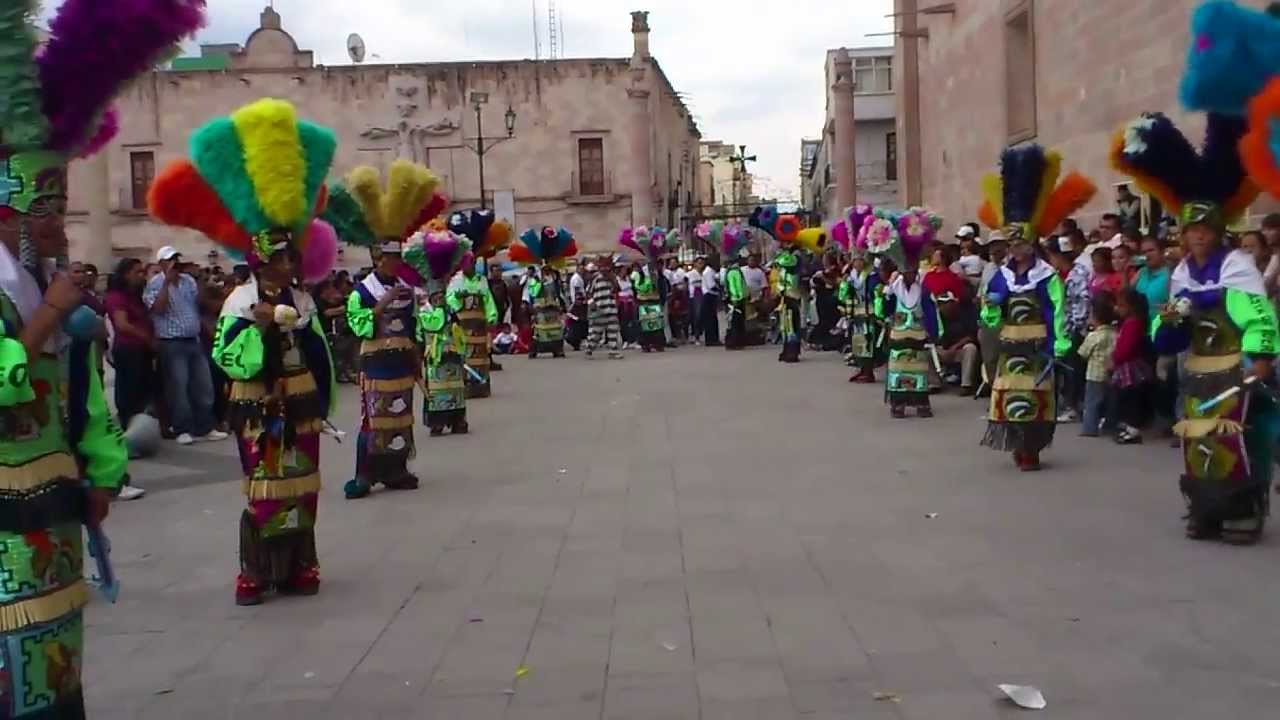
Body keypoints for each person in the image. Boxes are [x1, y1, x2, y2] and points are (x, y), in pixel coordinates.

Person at [0, 0, 195, 707]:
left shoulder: (45, 288)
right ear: (11, 212)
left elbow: (82, 391)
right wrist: (47, 317)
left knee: (56, 656)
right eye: (45, 208)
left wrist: (103, 468)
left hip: (53, 502)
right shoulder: (27, 295)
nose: (58, 222)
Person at [147, 96, 333, 604]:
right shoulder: (240, 301)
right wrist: (262, 328)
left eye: (289, 262)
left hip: (300, 404)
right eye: (276, 264)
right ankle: (254, 571)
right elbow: (228, 357)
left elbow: (318, 354)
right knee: (264, 488)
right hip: (260, 404)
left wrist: (323, 396)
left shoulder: (302, 299)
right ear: (258, 265)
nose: (284, 270)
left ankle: (300, 564)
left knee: (303, 484)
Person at [1116, 110, 1278, 543]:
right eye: (1192, 229)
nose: (1199, 235)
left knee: (1233, 438)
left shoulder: (1237, 264)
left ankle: (1242, 510)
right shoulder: (1184, 271)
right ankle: (1205, 508)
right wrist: (1167, 327)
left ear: (1218, 229)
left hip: (1234, 366)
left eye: (1206, 228)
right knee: (1196, 440)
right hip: (1198, 370)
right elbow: (1173, 324)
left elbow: (1258, 314)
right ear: (1184, 234)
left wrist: (1261, 357)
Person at [332, 160, 444, 498]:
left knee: (400, 417)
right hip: (375, 364)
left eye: (398, 260)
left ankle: (396, 469)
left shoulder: (408, 288)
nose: (395, 265)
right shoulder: (361, 291)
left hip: (402, 362)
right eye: (390, 260)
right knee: (374, 419)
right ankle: (365, 474)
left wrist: (426, 318)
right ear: (378, 260)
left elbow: (419, 324)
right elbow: (360, 325)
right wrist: (384, 302)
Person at [978, 143, 1093, 471]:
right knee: (1010, 395)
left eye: (1022, 243)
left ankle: (1032, 448)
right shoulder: (1000, 276)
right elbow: (990, 313)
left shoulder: (1047, 276)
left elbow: (1056, 309)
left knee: (1036, 398)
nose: (1017, 249)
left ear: (1033, 244)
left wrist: (1060, 342)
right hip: (1010, 347)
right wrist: (991, 307)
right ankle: (1017, 443)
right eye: (1012, 244)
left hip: (1038, 347)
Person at [144, 246, 228, 446]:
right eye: (171, 260)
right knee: (178, 387)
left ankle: (204, 426)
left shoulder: (188, 281)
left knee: (203, 385)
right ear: (162, 263)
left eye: (176, 259)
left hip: (193, 340)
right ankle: (182, 428)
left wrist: (201, 282)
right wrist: (167, 282)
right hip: (172, 342)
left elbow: (198, 304)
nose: (175, 263)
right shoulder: (155, 284)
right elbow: (158, 308)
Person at [105, 259, 157, 430]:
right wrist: (147, 337)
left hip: (141, 350)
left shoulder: (135, 297)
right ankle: (128, 426)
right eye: (137, 272)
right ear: (126, 274)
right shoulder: (116, 297)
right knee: (129, 391)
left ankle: (141, 426)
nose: (142, 276)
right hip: (129, 349)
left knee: (144, 390)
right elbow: (122, 324)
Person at [448, 255, 500, 397]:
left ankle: (482, 386)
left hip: (479, 325)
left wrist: (492, 316)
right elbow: (450, 298)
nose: (467, 267)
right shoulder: (456, 280)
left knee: (480, 355)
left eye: (470, 264)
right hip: (462, 324)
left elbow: (488, 299)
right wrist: (458, 301)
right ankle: (467, 386)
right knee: (465, 354)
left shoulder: (481, 280)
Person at [1110, 289, 1154, 444]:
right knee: (1127, 398)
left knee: (1131, 399)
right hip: (1127, 366)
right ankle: (1127, 427)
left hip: (1130, 367)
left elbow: (1126, 348)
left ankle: (1133, 429)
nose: (1117, 308)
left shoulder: (1133, 324)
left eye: (1121, 305)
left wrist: (1114, 358)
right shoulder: (1130, 323)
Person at [1078, 295, 1118, 437]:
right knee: (1109, 402)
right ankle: (1110, 426)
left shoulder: (1094, 336)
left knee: (1092, 403)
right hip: (1110, 373)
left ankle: (1089, 428)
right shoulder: (1115, 334)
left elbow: (1083, 352)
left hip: (1094, 374)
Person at [975, 231, 1008, 398]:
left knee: (1005, 358)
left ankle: (1005, 393)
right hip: (987, 320)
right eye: (993, 246)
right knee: (989, 359)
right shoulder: (988, 268)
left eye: (999, 245)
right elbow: (981, 294)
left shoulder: (1009, 267)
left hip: (1005, 318)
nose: (996, 249)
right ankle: (995, 393)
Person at [840, 253, 882, 383]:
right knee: (857, 341)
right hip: (856, 311)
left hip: (868, 311)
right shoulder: (852, 276)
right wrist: (845, 283)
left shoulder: (871, 275)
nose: (856, 264)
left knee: (867, 341)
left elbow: (875, 293)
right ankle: (861, 368)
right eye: (854, 261)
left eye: (858, 260)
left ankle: (868, 371)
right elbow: (844, 295)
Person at [936, 291, 981, 393]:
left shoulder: (965, 314)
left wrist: (955, 347)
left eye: (946, 303)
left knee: (970, 348)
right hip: (943, 350)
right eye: (940, 304)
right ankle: (935, 384)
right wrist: (941, 349)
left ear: (953, 303)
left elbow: (971, 336)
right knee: (926, 350)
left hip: (959, 349)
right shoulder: (937, 317)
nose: (943, 307)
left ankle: (966, 385)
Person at [525, 265, 568, 358]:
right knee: (539, 331)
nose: (547, 271)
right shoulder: (535, 280)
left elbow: (559, 293)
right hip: (540, 309)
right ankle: (534, 350)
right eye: (545, 269)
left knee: (556, 329)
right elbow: (533, 293)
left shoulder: (555, 280)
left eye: (549, 269)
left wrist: (561, 306)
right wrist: (540, 283)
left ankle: (558, 349)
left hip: (553, 308)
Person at [586, 257, 624, 358]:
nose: (605, 269)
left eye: (607, 267)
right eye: (603, 267)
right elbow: (588, 293)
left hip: (611, 308)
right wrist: (592, 304)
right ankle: (589, 348)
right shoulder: (595, 278)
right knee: (596, 333)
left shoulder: (613, 278)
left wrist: (613, 280)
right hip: (599, 309)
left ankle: (613, 351)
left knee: (613, 330)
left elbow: (617, 289)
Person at [774, 248, 804, 363]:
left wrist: (785, 252)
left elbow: (783, 261)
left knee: (791, 325)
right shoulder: (784, 268)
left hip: (792, 298)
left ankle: (792, 351)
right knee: (785, 326)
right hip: (784, 298)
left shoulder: (794, 261)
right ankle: (787, 349)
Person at [631, 262, 666, 352]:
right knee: (645, 325)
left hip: (655, 302)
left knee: (656, 324)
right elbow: (638, 289)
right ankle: (646, 344)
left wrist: (662, 300)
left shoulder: (658, 276)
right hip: (643, 302)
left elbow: (662, 288)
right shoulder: (638, 276)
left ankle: (658, 343)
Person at [702, 254, 722, 346]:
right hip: (709, 296)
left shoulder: (712, 271)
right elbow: (711, 286)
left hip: (711, 296)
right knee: (710, 319)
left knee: (712, 319)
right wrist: (720, 289)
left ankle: (712, 338)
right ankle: (712, 339)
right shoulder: (708, 272)